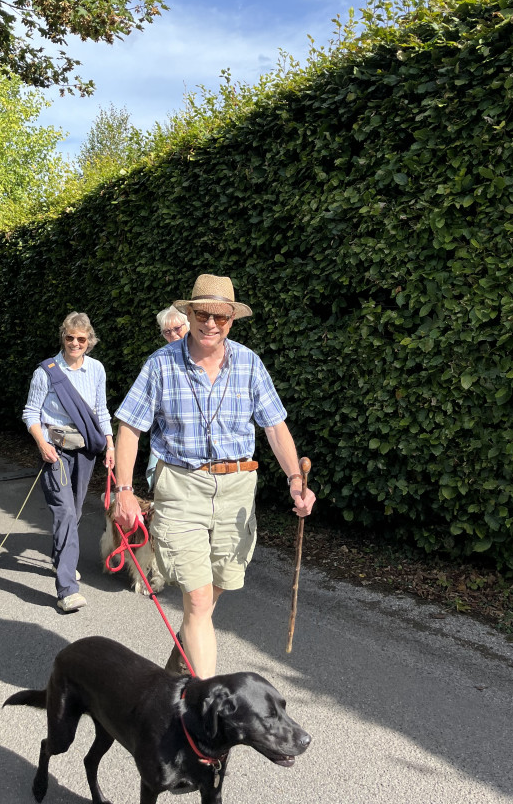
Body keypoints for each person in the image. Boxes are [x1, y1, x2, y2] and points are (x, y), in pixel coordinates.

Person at [113, 274, 316, 678]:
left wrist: (295, 478)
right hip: (181, 487)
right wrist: (124, 490)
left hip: (237, 489)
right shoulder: (160, 365)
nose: (211, 323)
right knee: (200, 599)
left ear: (232, 321)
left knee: (216, 588)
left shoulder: (249, 363)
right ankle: (204, 704)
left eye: (221, 317)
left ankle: (175, 673)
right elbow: (130, 428)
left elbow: (275, 427)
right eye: (203, 313)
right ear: (189, 314)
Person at [22, 312, 115, 613]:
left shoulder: (97, 370)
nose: (75, 343)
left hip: (86, 450)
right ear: (62, 337)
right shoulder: (46, 372)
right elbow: (30, 413)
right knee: (63, 512)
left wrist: (110, 445)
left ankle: (59, 557)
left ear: (89, 341)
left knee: (73, 512)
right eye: (70, 337)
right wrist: (42, 443)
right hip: (56, 451)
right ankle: (67, 588)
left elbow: (101, 410)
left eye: (81, 339)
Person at [144, 306, 191, 490]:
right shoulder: (158, 362)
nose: (173, 335)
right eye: (167, 332)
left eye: (178, 329)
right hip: (169, 447)